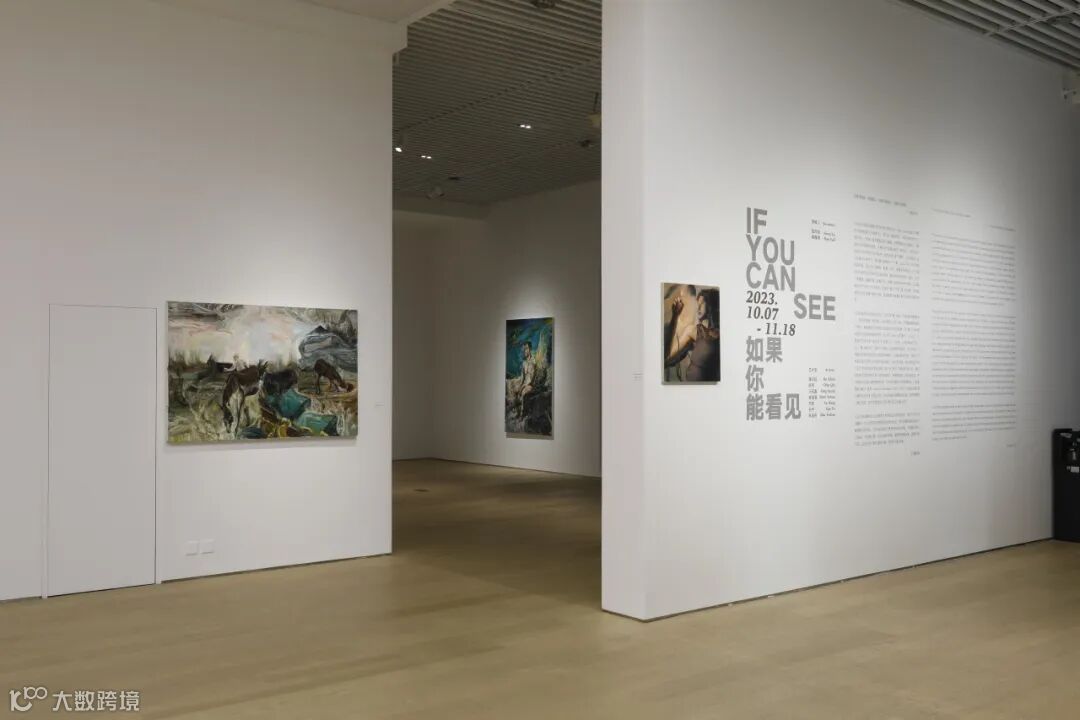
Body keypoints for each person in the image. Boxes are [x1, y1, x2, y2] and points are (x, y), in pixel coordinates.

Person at [665, 285, 720, 381]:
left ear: (710, 305)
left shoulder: (719, 333)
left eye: (702, 303)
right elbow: (668, 358)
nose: (698, 306)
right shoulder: (693, 331)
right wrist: (675, 316)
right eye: (698, 303)